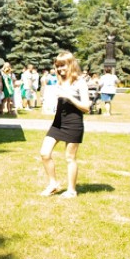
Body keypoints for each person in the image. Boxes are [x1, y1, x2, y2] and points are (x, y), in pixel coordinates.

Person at [39, 52, 91, 199]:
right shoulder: (58, 81)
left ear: (71, 64)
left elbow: (86, 107)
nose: (60, 69)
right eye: (58, 66)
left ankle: (72, 190)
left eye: (63, 65)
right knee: (44, 153)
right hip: (58, 123)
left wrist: (69, 97)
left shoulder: (79, 82)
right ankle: (53, 184)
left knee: (70, 157)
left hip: (73, 123)